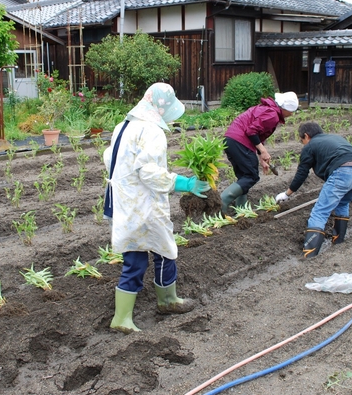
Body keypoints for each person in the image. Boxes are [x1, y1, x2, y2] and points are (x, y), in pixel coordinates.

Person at [103, 83, 210, 334]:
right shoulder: (152, 131)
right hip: (144, 205)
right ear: (161, 107)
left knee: (135, 256)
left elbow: (109, 159)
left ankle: (124, 316)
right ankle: (166, 301)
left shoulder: (123, 126)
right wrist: (183, 183)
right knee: (165, 250)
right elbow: (148, 172)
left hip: (123, 201)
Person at [275, 122, 352, 258]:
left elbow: (302, 173)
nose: (303, 143)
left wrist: (287, 194)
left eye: (302, 140)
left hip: (344, 173)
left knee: (320, 212)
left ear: (306, 136)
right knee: (342, 203)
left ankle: (310, 256)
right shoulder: (336, 138)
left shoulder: (310, 145)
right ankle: (339, 243)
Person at [220, 92, 299, 214]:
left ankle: (241, 210)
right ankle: (223, 201)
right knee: (251, 176)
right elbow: (251, 131)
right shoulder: (272, 115)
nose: (292, 114)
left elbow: (257, 134)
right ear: (285, 108)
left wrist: (261, 156)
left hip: (231, 139)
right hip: (240, 141)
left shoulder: (267, 109)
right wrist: (263, 151)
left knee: (244, 176)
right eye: (291, 110)